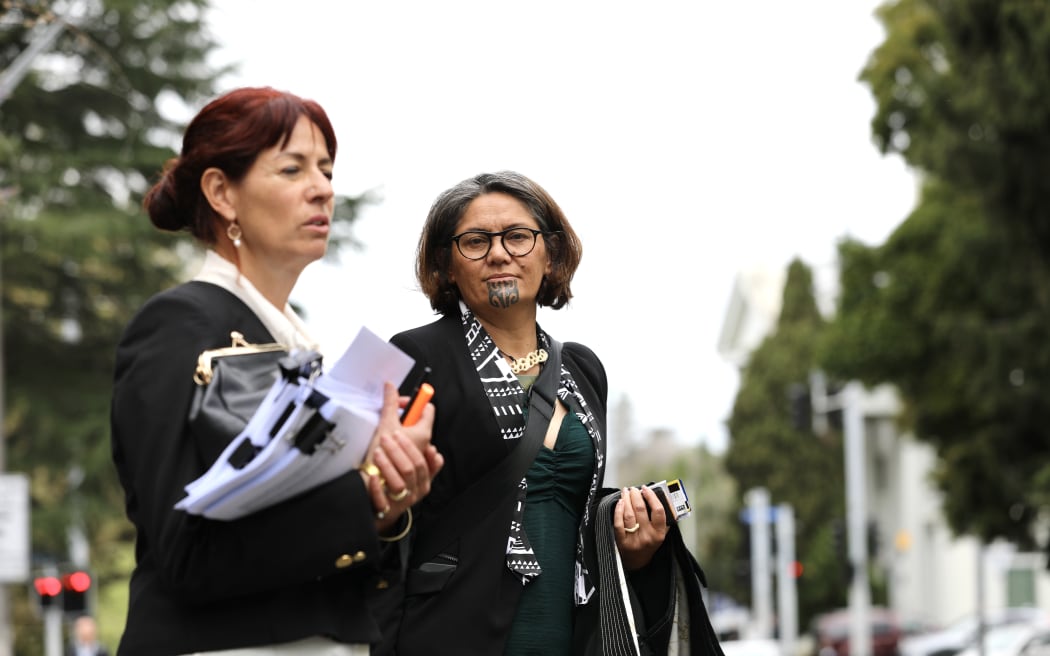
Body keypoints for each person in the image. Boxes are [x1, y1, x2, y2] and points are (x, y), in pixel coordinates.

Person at [109, 87, 443, 656]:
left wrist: (386, 507)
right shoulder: (178, 325)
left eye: (327, 170)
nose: (322, 188)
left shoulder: (299, 347)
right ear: (222, 193)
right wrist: (361, 498)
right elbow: (184, 553)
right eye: (292, 169)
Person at [382, 171, 679, 655]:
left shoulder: (583, 369)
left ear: (551, 254)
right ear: (446, 264)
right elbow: (368, 510)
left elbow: (577, 526)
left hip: (569, 635)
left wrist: (634, 545)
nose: (499, 254)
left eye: (518, 237)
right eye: (475, 241)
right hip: (449, 635)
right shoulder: (410, 355)